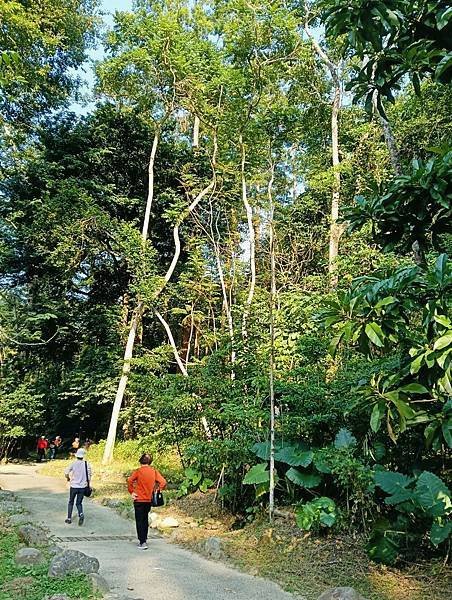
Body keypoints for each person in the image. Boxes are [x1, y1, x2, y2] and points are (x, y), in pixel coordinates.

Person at [127, 453, 166, 550]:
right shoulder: (154, 471)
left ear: (140, 461)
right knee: (145, 519)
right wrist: (157, 490)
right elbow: (163, 482)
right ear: (150, 461)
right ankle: (144, 539)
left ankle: (142, 541)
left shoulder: (138, 471)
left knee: (139, 521)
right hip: (149, 499)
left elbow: (129, 480)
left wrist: (132, 492)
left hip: (138, 499)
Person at [64, 448, 92, 526]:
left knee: (71, 502)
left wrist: (68, 478)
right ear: (83, 456)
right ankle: (81, 514)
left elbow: (66, 472)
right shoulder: (87, 464)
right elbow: (89, 476)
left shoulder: (73, 463)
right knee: (79, 503)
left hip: (74, 486)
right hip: (82, 487)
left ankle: (69, 518)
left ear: (77, 456)